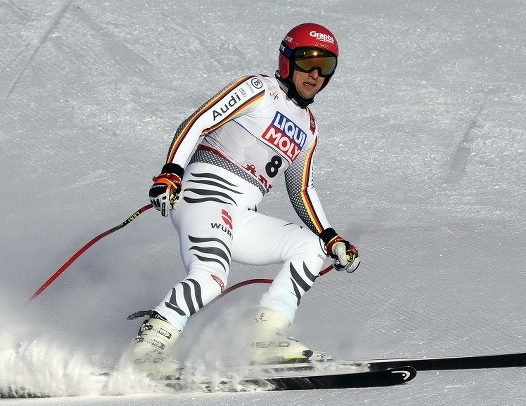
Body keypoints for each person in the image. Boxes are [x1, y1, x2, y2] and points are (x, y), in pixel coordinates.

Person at [123, 23, 360, 378]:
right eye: (307, 60)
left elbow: (301, 189)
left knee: (310, 248)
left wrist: (330, 237)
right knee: (212, 276)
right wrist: (171, 171)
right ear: (286, 61)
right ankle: (146, 348)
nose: (314, 73)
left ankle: (262, 336)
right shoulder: (259, 89)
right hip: (204, 194)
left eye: (325, 66)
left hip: (240, 213)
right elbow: (198, 121)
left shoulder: (308, 126)